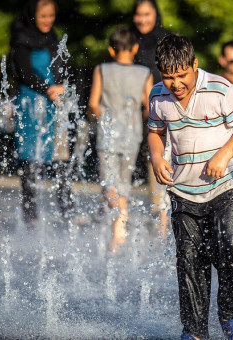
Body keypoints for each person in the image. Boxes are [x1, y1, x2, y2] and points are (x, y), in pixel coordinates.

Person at [148, 34, 233, 340]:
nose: (176, 84)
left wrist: (224, 155)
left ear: (195, 65)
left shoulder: (220, 89)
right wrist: (157, 157)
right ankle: (194, 332)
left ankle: (230, 316)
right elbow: (155, 132)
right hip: (184, 192)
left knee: (231, 246)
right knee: (189, 261)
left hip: (228, 186)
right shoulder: (158, 96)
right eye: (168, 77)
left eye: (182, 75)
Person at [87, 27, 153, 252]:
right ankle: (116, 234)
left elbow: (93, 104)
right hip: (132, 136)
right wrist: (139, 121)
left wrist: (97, 120)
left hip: (108, 135)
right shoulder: (144, 72)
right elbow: (149, 106)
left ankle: (119, 224)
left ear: (110, 49)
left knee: (109, 186)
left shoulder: (102, 69)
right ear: (135, 48)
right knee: (122, 185)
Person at [9, 0, 69, 225]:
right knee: (29, 160)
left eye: (51, 15)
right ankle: (30, 215)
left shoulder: (55, 39)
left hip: (55, 104)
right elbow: (23, 72)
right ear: (33, 15)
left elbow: (62, 68)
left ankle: (66, 211)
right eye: (43, 16)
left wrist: (61, 86)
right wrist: (47, 89)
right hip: (30, 105)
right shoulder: (21, 39)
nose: (47, 20)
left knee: (60, 159)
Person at [130, 0, 172, 226]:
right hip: (132, 111)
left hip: (162, 107)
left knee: (158, 158)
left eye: (147, 14)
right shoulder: (128, 39)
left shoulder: (166, 39)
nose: (142, 19)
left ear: (156, 14)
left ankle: (162, 217)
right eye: (138, 14)